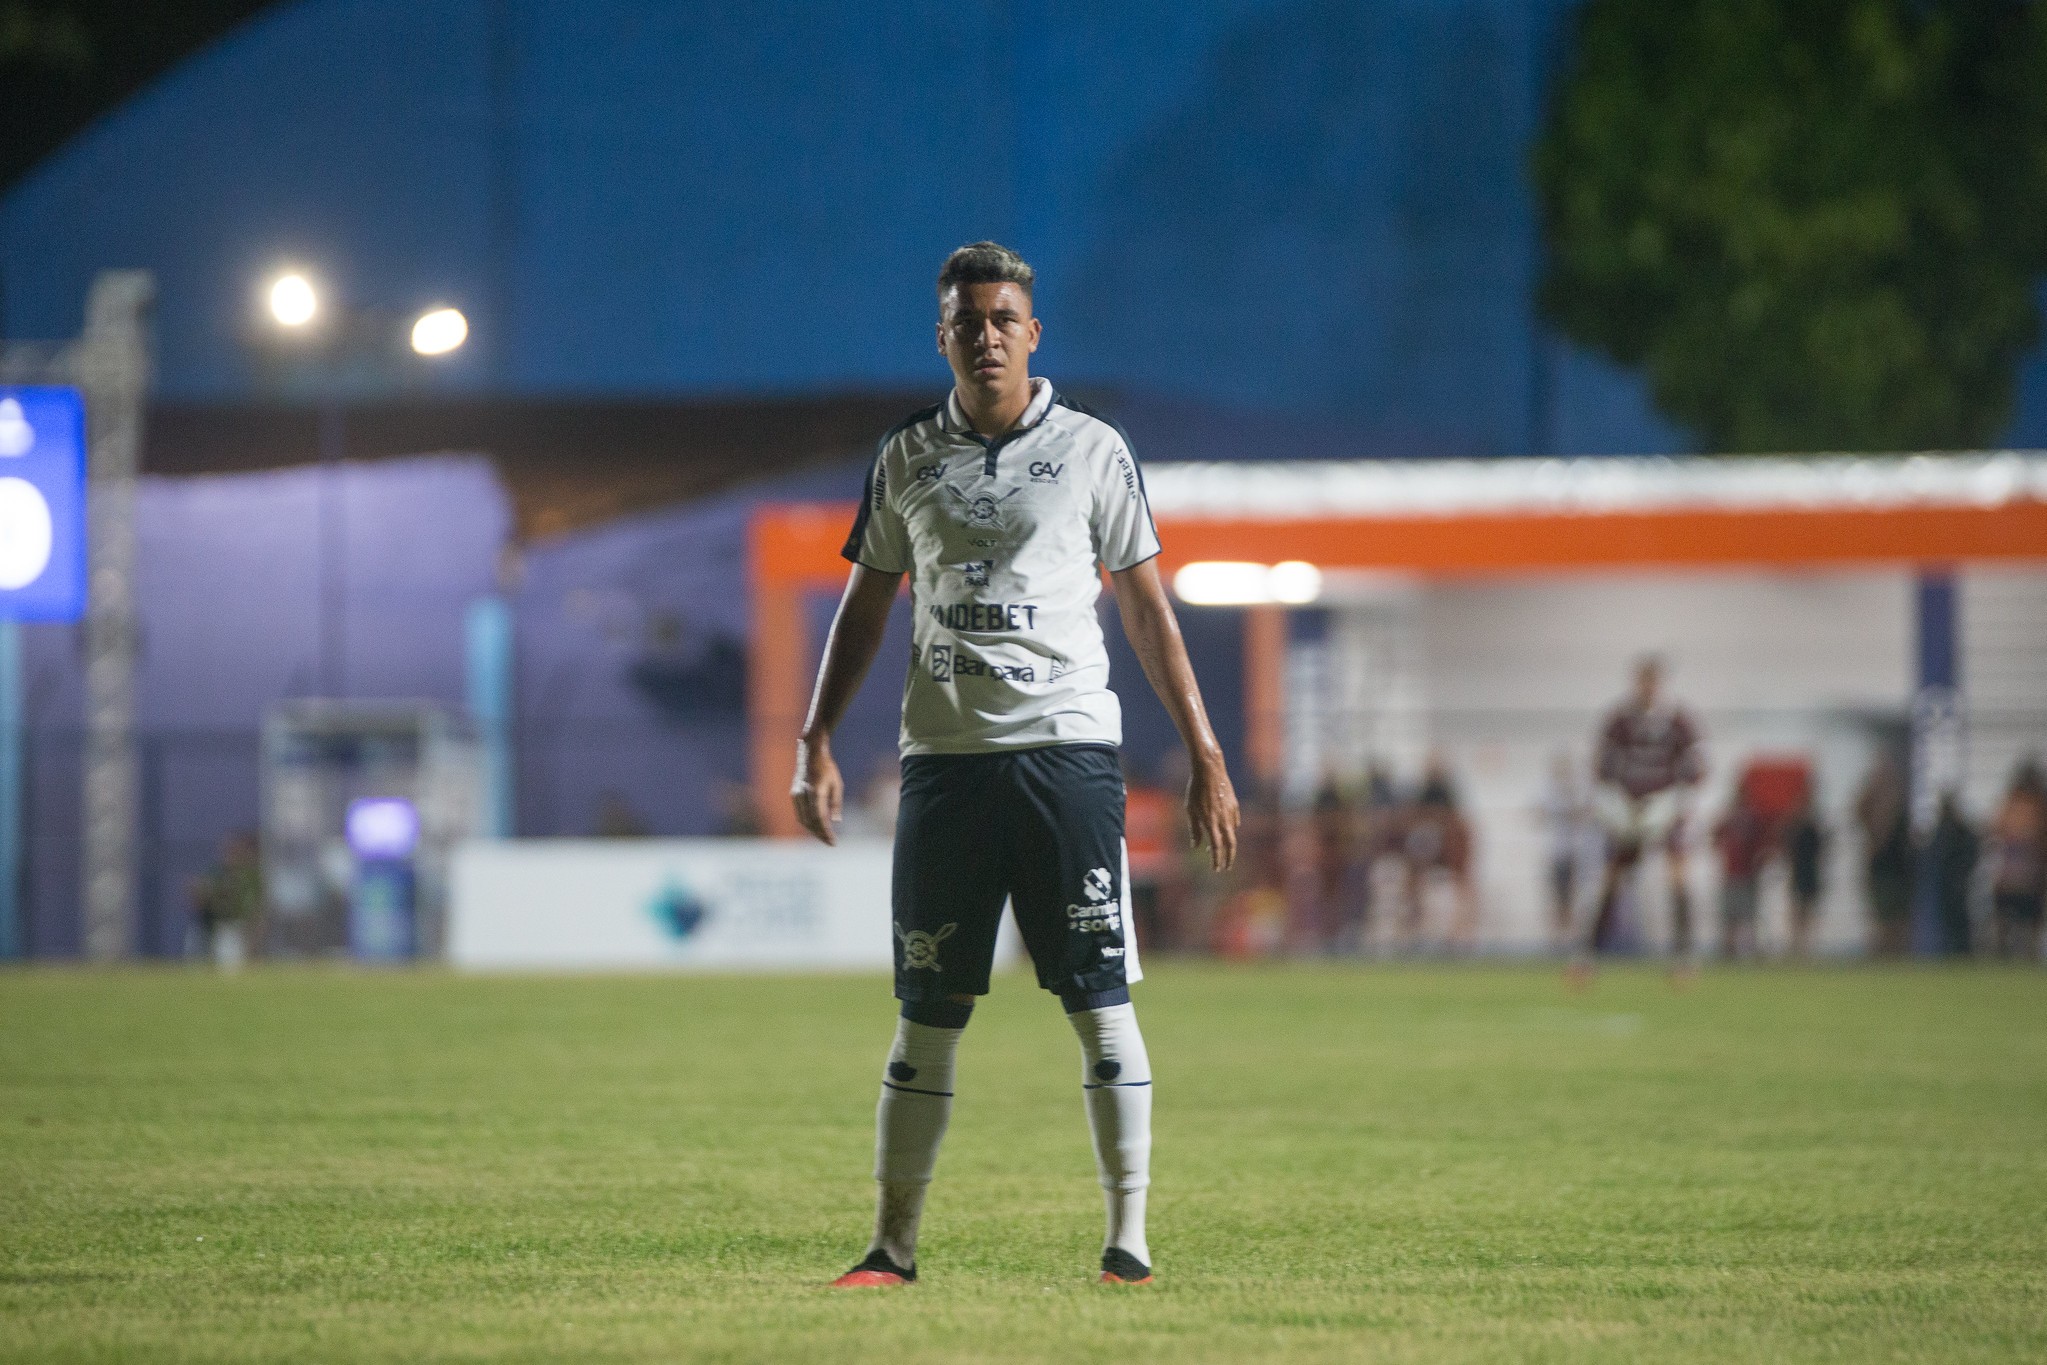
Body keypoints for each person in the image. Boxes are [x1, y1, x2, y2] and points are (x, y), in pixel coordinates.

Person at [790, 242, 1239, 1289]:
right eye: (967, 320)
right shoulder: (905, 457)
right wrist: (813, 736)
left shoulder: (1092, 451)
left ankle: (1128, 1242)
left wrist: (1205, 751)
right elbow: (864, 601)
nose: (986, 335)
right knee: (926, 1012)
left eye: (1004, 319)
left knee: (1098, 1002)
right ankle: (891, 1248)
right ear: (940, 336)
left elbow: (1143, 602)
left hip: (1068, 759)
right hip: (944, 766)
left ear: (1032, 334)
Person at [1571, 655, 1705, 986]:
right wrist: (1609, 802)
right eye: (1642, 681)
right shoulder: (1619, 719)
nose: (1647, 687)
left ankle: (1683, 958)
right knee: (1611, 881)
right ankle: (1586, 957)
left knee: (1678, 878)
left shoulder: (1677, 721)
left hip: (1663, 808)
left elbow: (1696, 765)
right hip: (1627, 810)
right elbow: (1601, 764)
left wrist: (1679, 799)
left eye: (1653, 681)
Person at [1535, 752, 1595, 954]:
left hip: (1577, 853)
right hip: (1557, 852)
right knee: (1557, 897)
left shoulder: (1579, 789)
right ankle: (1558, 939)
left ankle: (1573, 939)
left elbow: (1587, 812)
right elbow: (1538, 812)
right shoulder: (1548, 789)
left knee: (1575, 898)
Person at [1986, 759, 2046, 959]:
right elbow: (1996, 831)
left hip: (2026, 879)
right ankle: (2006, 956)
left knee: (2025, 925)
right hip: (2013, 878)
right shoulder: (2015, 804)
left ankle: (2020, 956)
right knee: (2008, 924)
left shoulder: (2035, 805)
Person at [1855, 754, 1913, 956]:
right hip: (1880, 871)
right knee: (1881, 917)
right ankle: (1884, 953)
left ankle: (1896, 953)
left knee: (1898, 918)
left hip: (1898, 871)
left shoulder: (1899, 805)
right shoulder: (1872, 805)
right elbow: (1857, 811)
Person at [1712, 786, 1772, 961]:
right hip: (1732, 873)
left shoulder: (1754, 817)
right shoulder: (1730, 817)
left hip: (1748, 873)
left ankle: (1752, 950)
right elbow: (1716, 834)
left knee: (1750, 914)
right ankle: (1729, 951)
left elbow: (1763, 844)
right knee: (1730, 914)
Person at [1928, 791, 1979, 956]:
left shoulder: (1958, 831)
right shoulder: (1945, 831)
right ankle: (1950, 952)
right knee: (1948, 920)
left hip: (1957, 882)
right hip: (1946, 883)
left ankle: (1962, 952)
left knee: (1959, 920)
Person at [1782, 791, 1828, 959]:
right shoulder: (1793, 827)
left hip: (1809, 873)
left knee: (1807, 911)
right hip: (1798, 872)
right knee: (1796, 911)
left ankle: (1805, 947)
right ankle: (1795, 946)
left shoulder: (1812, 828)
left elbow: (1820, 850)